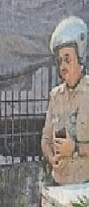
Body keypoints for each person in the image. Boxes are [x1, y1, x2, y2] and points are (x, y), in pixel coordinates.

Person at [41, 16, 89, 185]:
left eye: (67, 59)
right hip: (59, 186)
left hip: (84, 190)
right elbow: (45, 139)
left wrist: (74, 148)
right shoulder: (55, 96)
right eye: (60, 61)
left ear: (80, 57)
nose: (62, 66)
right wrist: (51, 157)